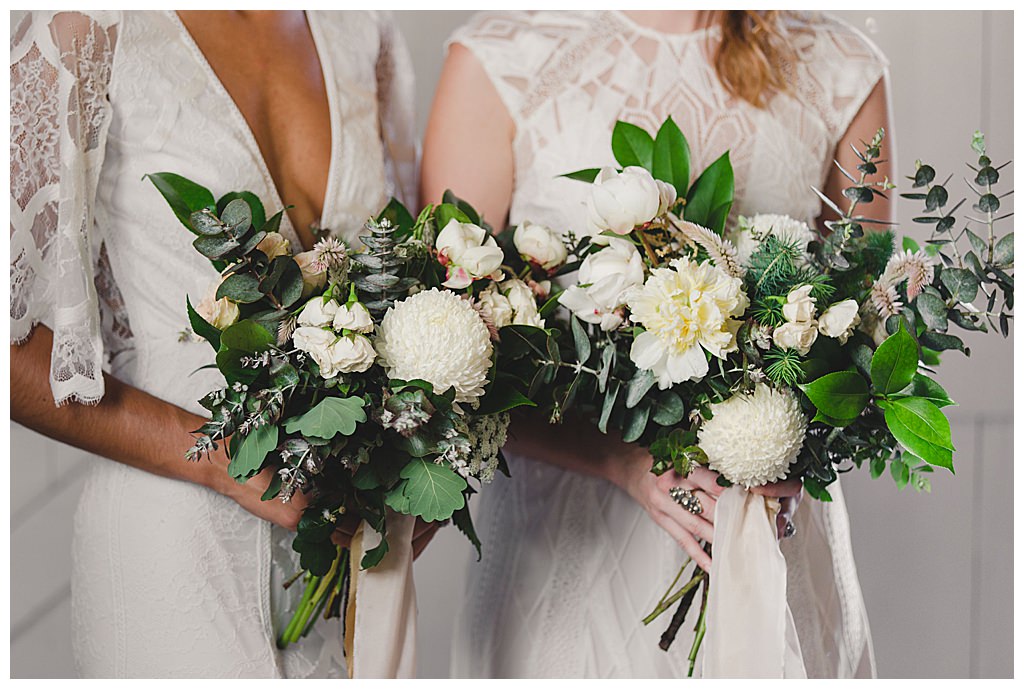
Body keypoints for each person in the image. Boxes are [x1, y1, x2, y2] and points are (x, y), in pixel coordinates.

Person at [421, 9, 892, 678]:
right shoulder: (502, 56)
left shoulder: (841, 65)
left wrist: (797, 434)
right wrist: (623, 460)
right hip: (567, 548)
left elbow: (868, 328)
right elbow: (449, 364)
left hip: (766, 538)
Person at [9, 10, 433, 677]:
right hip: (173, 537)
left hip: (338, 557)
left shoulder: (360, 26)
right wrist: (219, 462)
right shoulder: (84, 25)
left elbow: (411, 291)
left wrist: (418, 472)